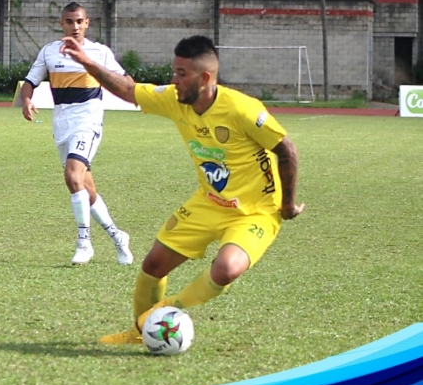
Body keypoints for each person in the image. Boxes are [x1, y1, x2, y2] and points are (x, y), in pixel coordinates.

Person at [59, 34, 304, 343]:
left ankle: (156, 317)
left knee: (227, 268)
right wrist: (87, 62)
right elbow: (129, 90)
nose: (173, 80)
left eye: (181, 73)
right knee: (152, 265)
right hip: (209, 202)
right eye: (173, 71)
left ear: (204, 78)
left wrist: (287, 206)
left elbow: (288, 151)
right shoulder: (175, 99)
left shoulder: (242, 109)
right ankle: (139, 333)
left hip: (255, 211)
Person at [20, 1, 133, 266]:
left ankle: (84, 243)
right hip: (62, 124)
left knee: (72, 175)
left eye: (79, 21)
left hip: (89, 121)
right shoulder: (49, 52)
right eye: (69, 21)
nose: (75, 26)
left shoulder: (100, 52)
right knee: (85, 187)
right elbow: (29, 83)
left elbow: (125, 80)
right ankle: (118, 237)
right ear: (62, 24)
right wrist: (27, 100)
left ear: (87, 23)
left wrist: (141, 95)